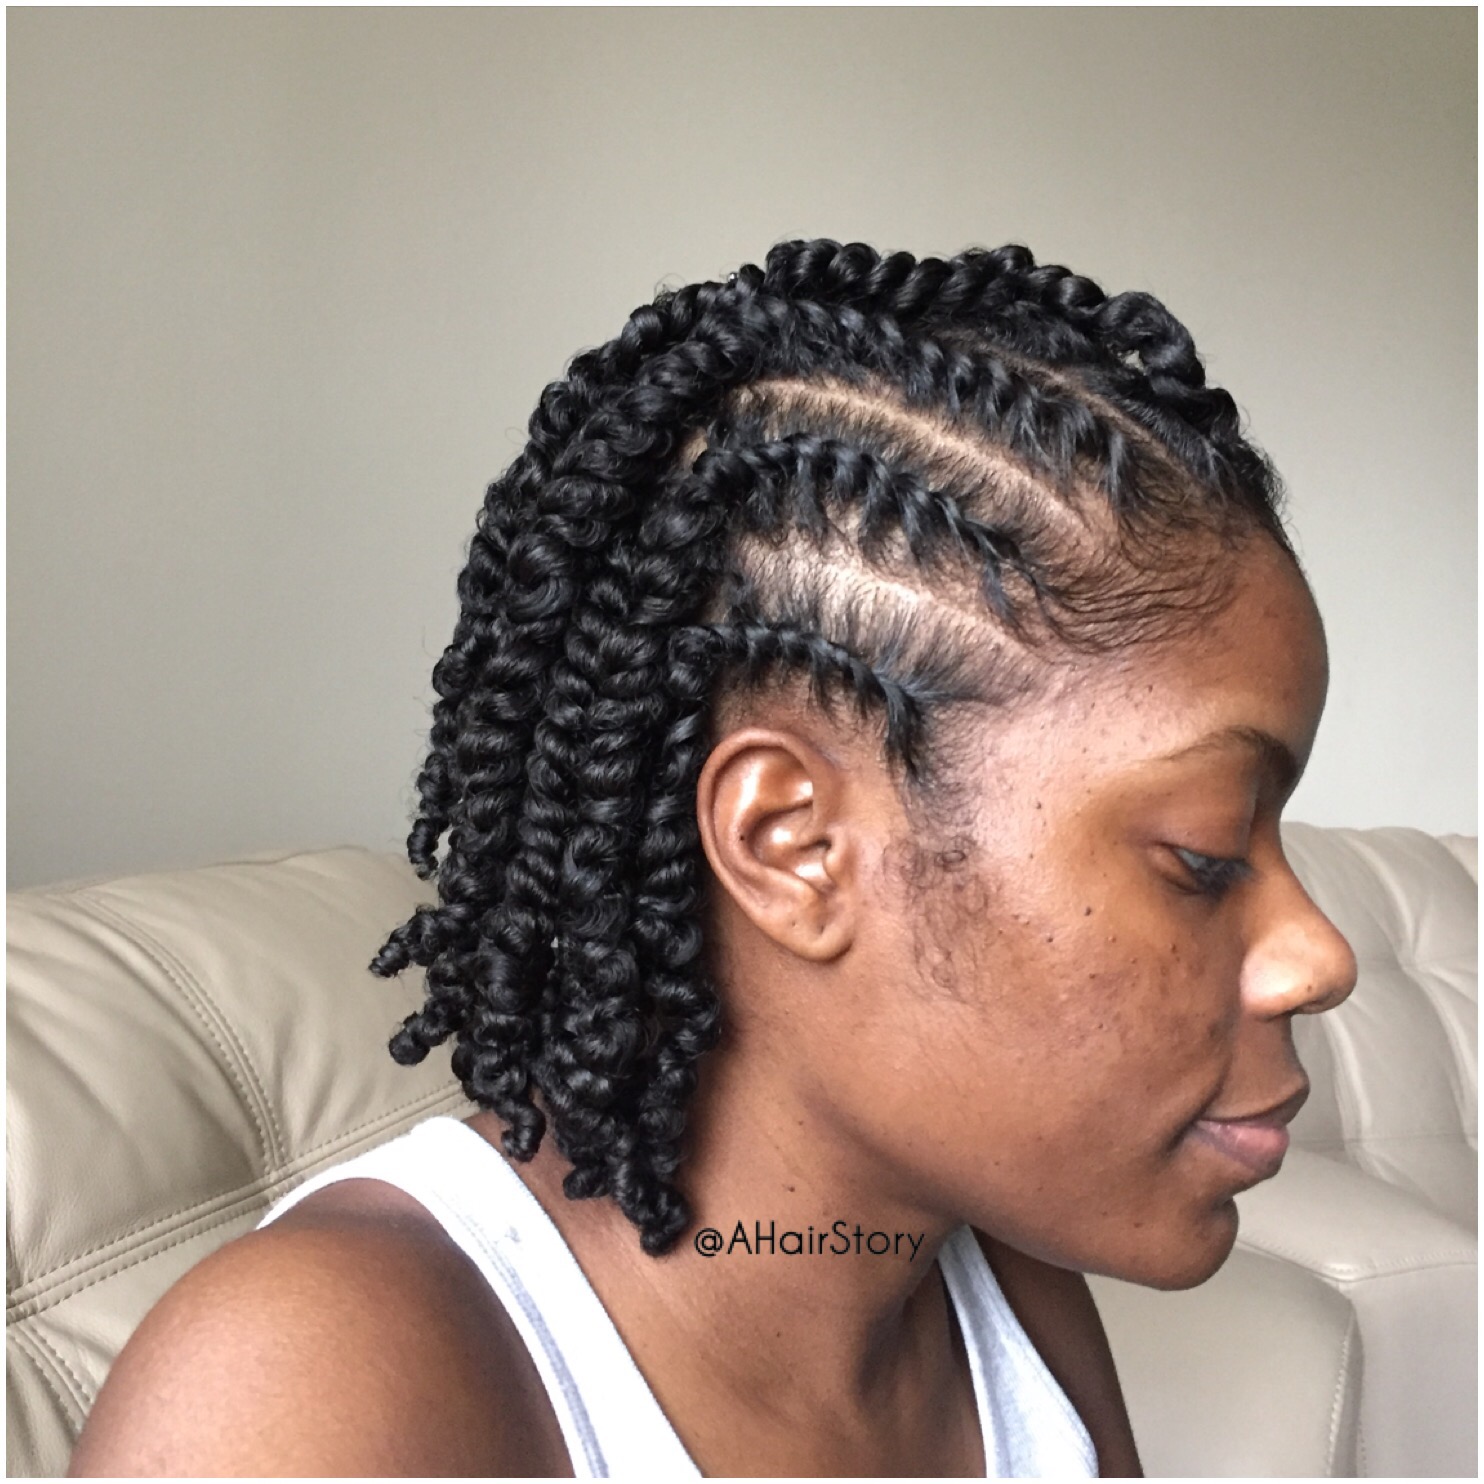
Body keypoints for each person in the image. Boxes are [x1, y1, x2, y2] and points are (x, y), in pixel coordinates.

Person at [69, 239, 1358, 1478]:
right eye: (1203, 855)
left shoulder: (1005, 1290)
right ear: (793, 844)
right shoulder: (313, 1392)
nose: (1320, 956)